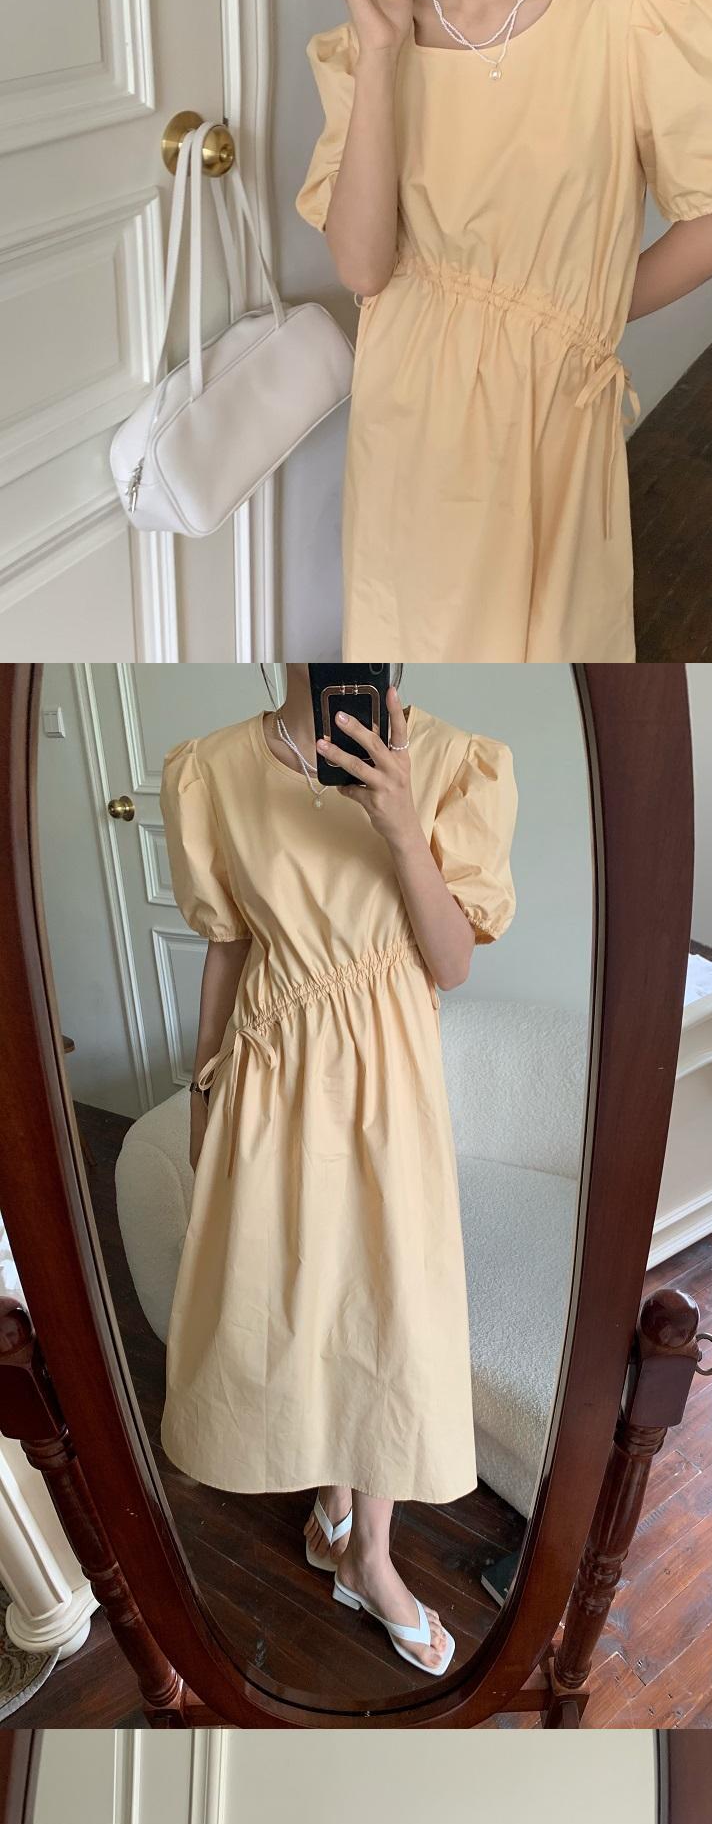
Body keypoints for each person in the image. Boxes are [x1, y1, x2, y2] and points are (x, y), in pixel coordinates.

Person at [297, 0, 712, 661]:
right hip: (407, 414)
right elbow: (364, 269)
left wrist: (562, 324)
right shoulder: (366, 44)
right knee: (411, 634)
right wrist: (380, 54)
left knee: (546, 640)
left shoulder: (630, 14)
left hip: (550, 414)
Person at [161, 670, 517, 1681]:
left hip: (390, 1082)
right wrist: (202, 1090)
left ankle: (369, 1555)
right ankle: (329, 1503)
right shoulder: (211, 770)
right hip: (270, 1070)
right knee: (289, 1298)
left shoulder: (453, 762)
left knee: (387, 1311)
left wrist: (400, 824)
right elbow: (228, 947)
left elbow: (451, 963)